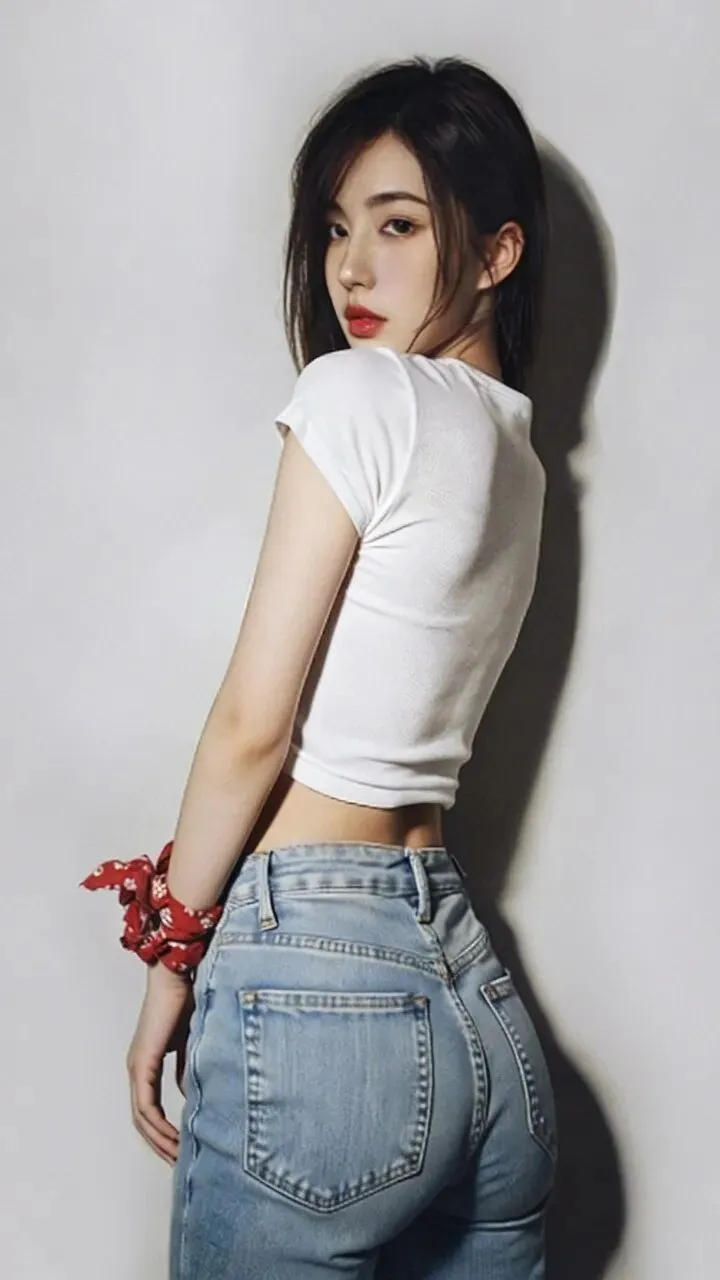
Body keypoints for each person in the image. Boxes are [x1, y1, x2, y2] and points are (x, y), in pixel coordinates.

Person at [83, 53, 558, 1279]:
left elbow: (256, 722)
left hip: (321, 982)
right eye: (338, 227)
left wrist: (169, 961)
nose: (351, 267)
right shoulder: (520, 460)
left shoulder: (362, 395)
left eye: (399, 225)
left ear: (497, 251)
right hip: (477, 1001)